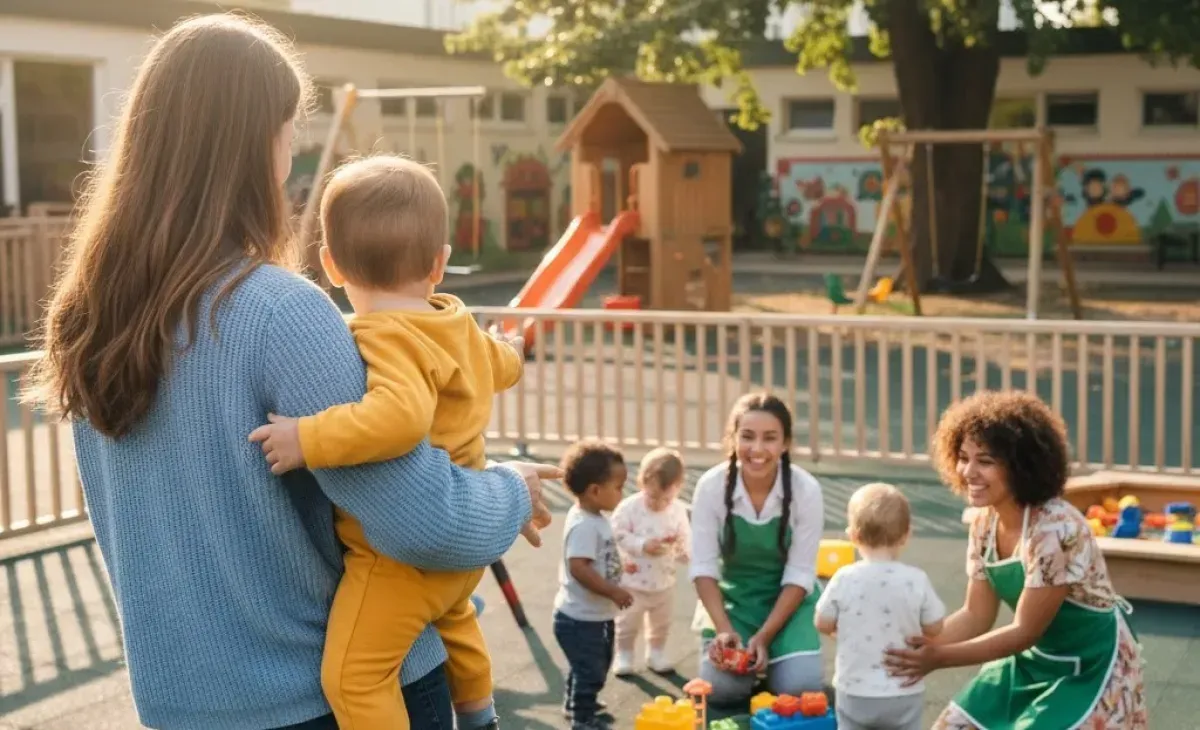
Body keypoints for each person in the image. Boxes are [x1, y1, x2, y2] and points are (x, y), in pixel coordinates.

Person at [25, 14, 555, 730]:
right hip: (333, 695)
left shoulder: (87, 315)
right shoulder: (279, 311)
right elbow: (421, 523)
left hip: (182, 704)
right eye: (287, 132)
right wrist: (511, 491)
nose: (291, 157)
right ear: (253, 142)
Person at [249, 156, 548, 730]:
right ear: (440, 264)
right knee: (456, 620)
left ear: (331, 266)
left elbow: (400, 418)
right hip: (465, 554)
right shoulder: (455, 321)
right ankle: (480, 713)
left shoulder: (383, 334)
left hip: (403, 560)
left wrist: (307, 438)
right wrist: (509, 349)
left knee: (354, 676)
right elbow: (499, 367)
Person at [884, 390, 1148, 729]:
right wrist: (913, 645)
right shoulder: (983, 522)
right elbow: (975, 615)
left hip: (1091, 666)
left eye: (986, 461)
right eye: (963, 457)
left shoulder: (1055, 529)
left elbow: (1025, 631)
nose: (968, 472)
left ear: (1022, 466)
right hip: (1034, 661)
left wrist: (938, 657)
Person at [689, 392, 826, 705]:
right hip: (733, 602)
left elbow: (800, 572)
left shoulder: (806, 491)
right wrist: (724, 629)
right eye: (747, 437)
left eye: (770, 438)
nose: (758, 449)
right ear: (733, 439)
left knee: (798, 689)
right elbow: (704, 567)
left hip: (789, 605)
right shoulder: (710, 487)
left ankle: (776, 660)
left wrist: (764, 636)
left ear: (785, 443)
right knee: (721, 691)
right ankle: (753, 664)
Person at [814, 482, 945, 730]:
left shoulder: (844, 577)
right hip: (904, 690)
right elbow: (936, 626)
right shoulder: (915, 579)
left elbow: (822, 621)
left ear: (852, 536)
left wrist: (839, 632)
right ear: (907, 534)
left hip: (855, 689)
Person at [553, 441, 634, 730]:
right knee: (591, 670)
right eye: (619, 486)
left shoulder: (592, 517)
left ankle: (575, 702)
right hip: (581, 618)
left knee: (589, 665)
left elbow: (597, 557)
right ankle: (582, 718)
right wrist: (613, 590)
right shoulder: (585, 524)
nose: (622, 493)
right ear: (595, 491)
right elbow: (579, 568)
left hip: (591, 615)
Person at [611, 447, 691, 676]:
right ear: (643, 483)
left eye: (666, 498)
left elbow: (685, 538)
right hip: (632, 581)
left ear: (677, 488)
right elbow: (616, 533)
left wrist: (683, 552)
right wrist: (642, 545)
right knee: (627, 622)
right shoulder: (630, 508)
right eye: (653, 496)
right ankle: (624, 654)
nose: (658, 503)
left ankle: (656, 652)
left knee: (661, 624)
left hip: (663, 580)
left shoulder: (677, 511)